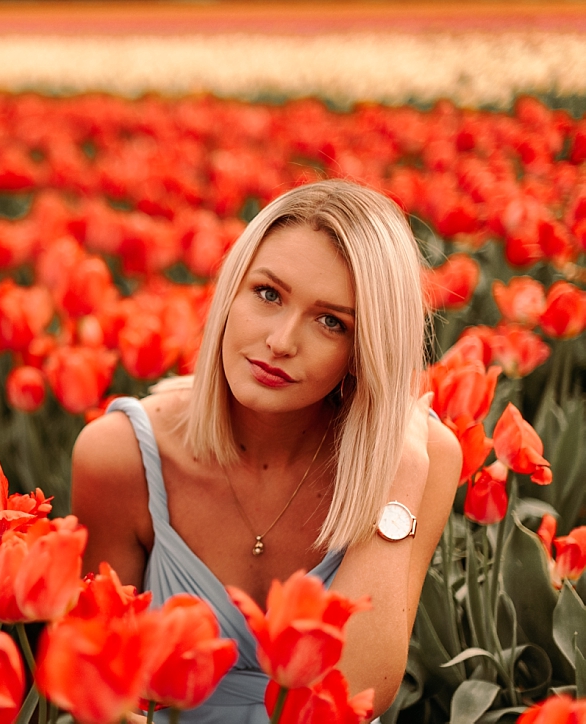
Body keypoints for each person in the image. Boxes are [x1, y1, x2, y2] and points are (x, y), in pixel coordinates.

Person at [71, 179, 461, 722]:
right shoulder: (122, 457)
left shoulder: (420, 460)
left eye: (331, 321)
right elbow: (97, 687)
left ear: (363, 350)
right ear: (231, 293)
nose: (281, 340)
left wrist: (399, 476)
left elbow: (355, 692)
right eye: (268, 293)